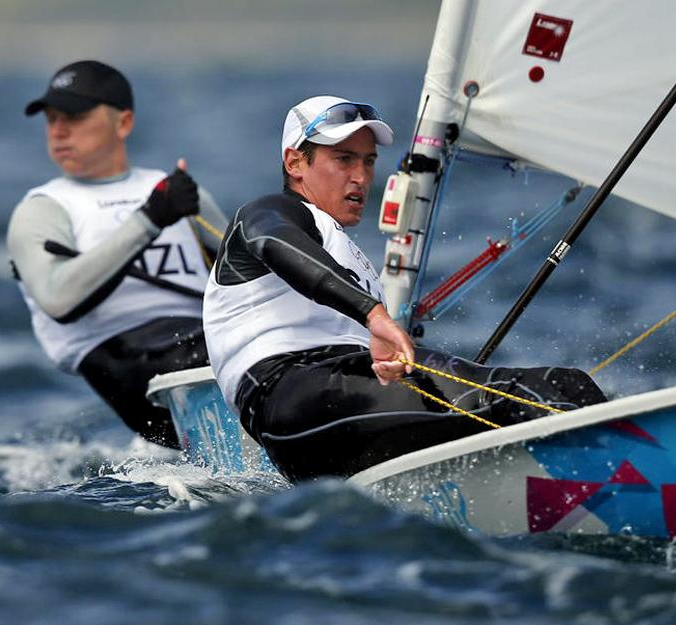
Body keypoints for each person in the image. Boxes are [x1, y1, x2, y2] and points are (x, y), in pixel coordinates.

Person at [203, 95, 606, 481]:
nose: (361, 176)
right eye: (343, 159)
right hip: (292, 395)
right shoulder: (268, 213)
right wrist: (374, 314)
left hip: (337, 414)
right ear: (295, 162)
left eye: (369, 161)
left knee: (526, 403)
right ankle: (640, 479)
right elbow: (275, 242)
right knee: (555, 390)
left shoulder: (350, 256)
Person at [7, 60, 228, 449]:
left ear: (123, 123)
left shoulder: (179, 194)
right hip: (124, 360)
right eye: (52, 118)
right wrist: (150, 219)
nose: (58, 131)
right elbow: (58, 299)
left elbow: (249, 273)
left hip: (205, 339)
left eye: (74, 117)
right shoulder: (42, 210)